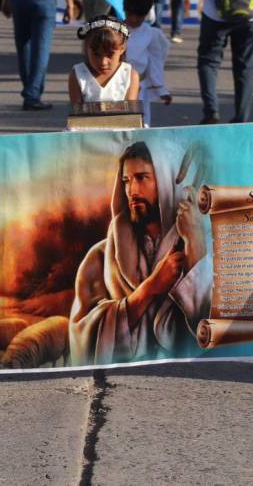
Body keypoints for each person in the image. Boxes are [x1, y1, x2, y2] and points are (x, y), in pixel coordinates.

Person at [69, 140, 212, 366]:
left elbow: (214, 324)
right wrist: (149, 289)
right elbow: (81, 335)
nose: (132, 191)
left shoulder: (203, 243)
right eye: (126, 180)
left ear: (166, 182)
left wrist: (196, 247)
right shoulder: (100, 256)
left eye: (142, 178)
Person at [123, 0, 171, 126]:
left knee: (141, 122)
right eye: (131, 14)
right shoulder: (114, 30)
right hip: (115, 86)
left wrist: (161, 89)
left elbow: (156, 61)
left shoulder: (151, 34)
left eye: (140, 16)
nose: (134, 19)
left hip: (139, 87)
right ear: (125, 10)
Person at [68, 16, 140, 107]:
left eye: (110, 55)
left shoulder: (130, 76)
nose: (103, 62)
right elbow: (77, 114)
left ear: (122, 48)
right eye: (96, 54)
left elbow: (130, 115)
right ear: (87, 48)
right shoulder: (77, 74)